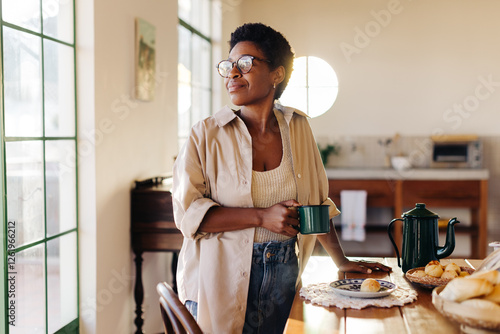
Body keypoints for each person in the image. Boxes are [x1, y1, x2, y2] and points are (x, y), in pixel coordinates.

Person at [172, 22, 391, 334]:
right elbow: (188, 216)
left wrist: (340, 260)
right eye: (229, 66)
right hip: (219, 274)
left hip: (284, 270)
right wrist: (262, 217)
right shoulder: (205, 134)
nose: (233, 73)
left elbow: (316, 203)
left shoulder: (298, 128)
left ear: (277, 74)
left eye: (245, 64)